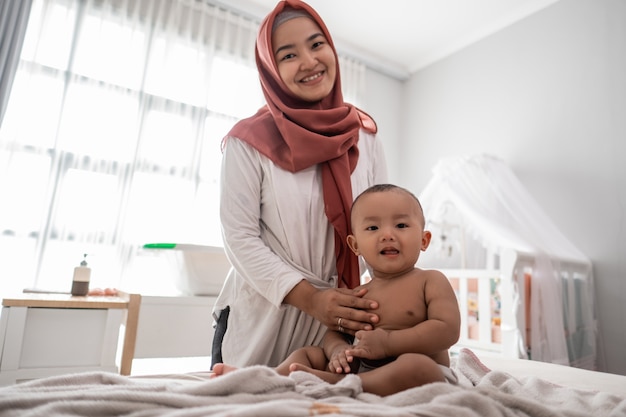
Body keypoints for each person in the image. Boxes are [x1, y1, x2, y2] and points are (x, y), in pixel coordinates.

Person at [211, 0, 387, 369]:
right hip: (263, 320)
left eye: (317, 44)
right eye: (288, 55)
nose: (309, 61)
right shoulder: (247, 141)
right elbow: (239, 238)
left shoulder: (365, 136)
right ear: (271, 69)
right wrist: (311, 300)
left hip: (338, 328)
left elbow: (379, 225)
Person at [213, 184, 461, 396]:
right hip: (365, 367)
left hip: (423, 374)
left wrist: (389, 343)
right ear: (355, 246)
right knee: (307, 354)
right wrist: (338, 350)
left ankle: (340, 384)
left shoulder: (430, 281)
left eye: (401, 225)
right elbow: (335, 333)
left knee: (416, 365)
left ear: (424, 240)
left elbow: (447, 330)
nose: (387, 235)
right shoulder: (360, 291)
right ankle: (266, 379)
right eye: (373, 228)